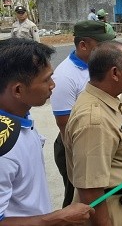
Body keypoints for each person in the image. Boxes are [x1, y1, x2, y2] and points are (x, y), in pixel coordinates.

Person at [0, 38, 94, 225]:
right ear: (18, 90)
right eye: (46, 79)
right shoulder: (4, 148)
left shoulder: (20, 118)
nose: (53, 85)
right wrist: (55, 218)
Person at [64, 41, 122, 226]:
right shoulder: (94, 120)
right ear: (115, 73)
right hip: (110, 210)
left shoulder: (106, 101)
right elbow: (90, 189)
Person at [50, 20, 115, 208]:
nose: (106, 48)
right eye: (100, 45)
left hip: (98, 139)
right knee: (76, 200)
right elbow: (64, 123)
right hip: (74, 145)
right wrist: (76, 160)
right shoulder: (65, 75)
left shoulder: (97, 66)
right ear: (83, 45)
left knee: (98, 198)